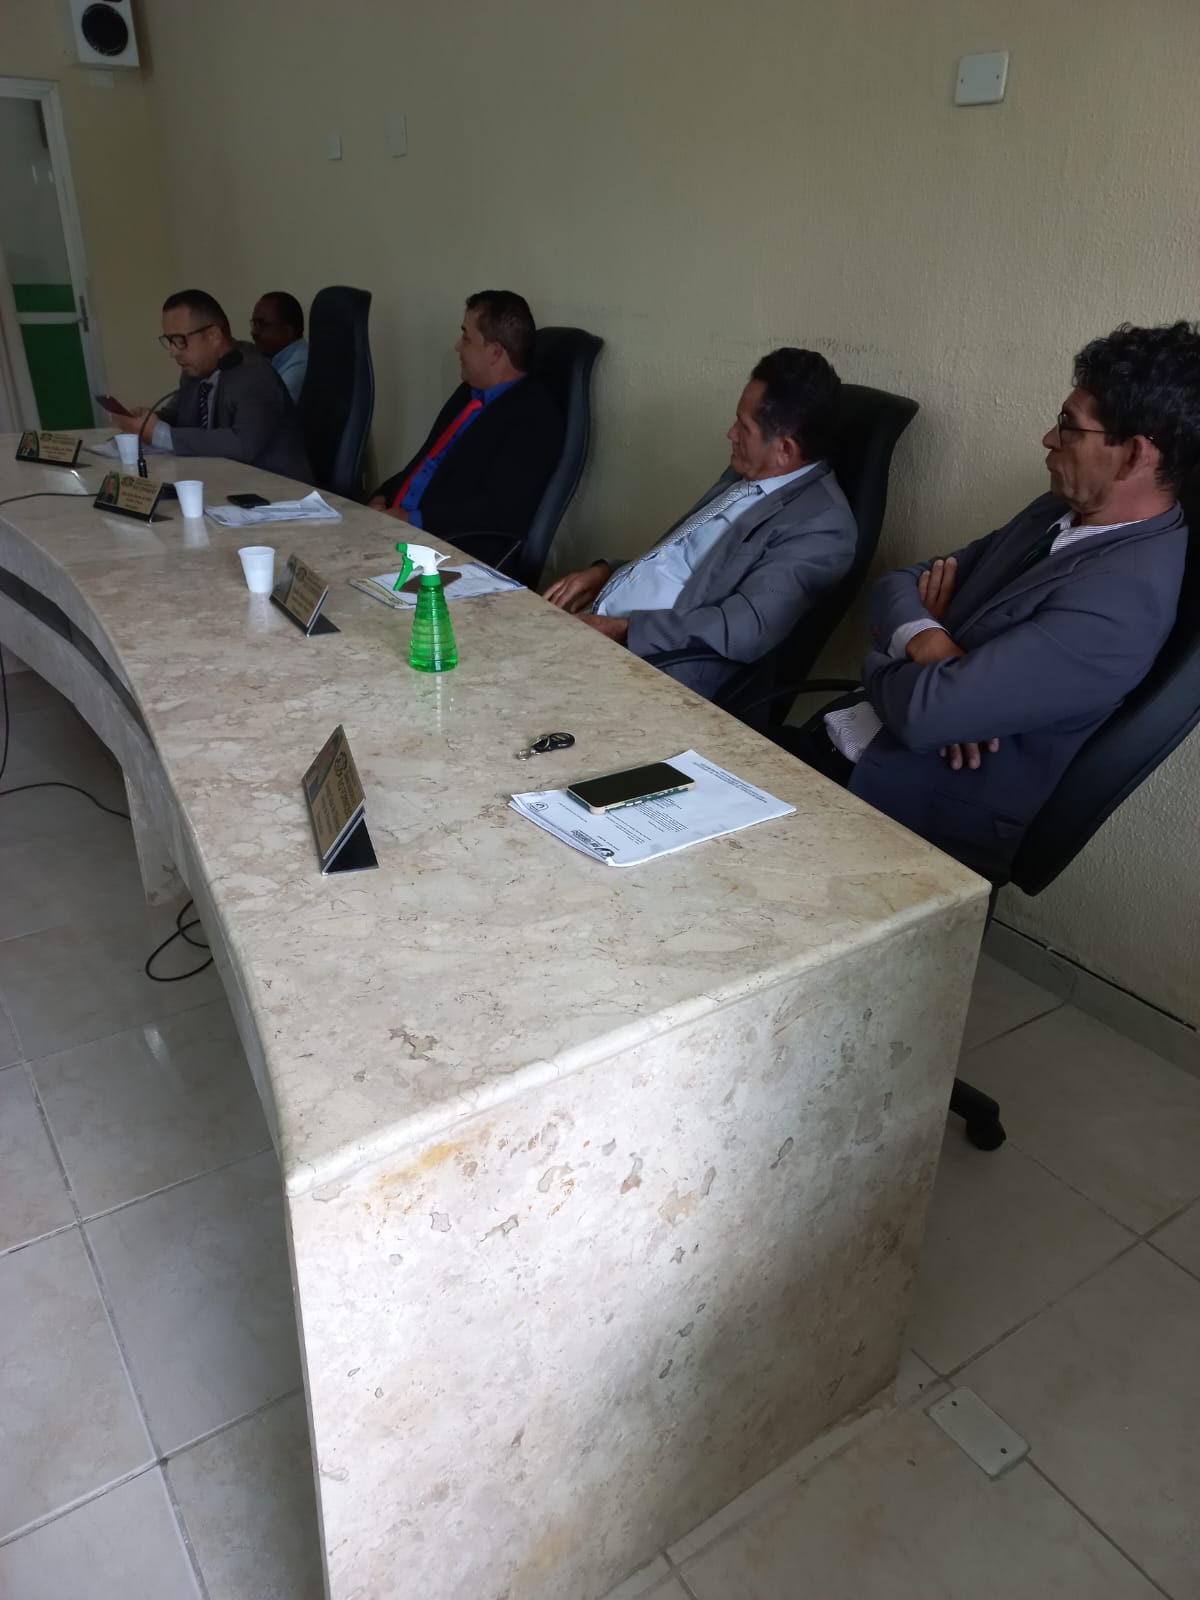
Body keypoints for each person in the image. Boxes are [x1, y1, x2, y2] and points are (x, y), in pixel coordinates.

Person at [788, 321, 1199, 873]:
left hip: (895, 817)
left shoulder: (1124, 599)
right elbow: (896, 585)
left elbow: (924, 715)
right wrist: (932, 643)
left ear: (1133, 456)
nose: (1049, 439)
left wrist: (891, 653)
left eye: (1069, 425)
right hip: (833, 746)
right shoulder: (1054, 511)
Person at [544, 348, 856, 699]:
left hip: (656, 671)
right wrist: (607, 572)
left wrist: (623, 629)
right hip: (601, 627)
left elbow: (744, 627)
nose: (730, 433)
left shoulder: (823, 525)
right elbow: (685, 563)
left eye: (744, 427)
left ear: (785, 449)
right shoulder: (745, 474)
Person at [368, 291, 562, 542]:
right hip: (393, 526)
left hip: (442, 545)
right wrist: (382, 496)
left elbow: (500, 509)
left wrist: (411, 520)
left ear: (494, 352)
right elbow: (425, 463)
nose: (458, 346)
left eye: (467, 338)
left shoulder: (533, 416)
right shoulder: (468, 394)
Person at [109, 289, 312, 481]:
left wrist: (161, 435)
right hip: (224, 482)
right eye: (170, 341)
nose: (173, 352)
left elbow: (243, 444)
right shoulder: (195, 370)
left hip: (278, 491)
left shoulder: (254, 372)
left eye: (179, 340)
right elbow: (177, 418)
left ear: (213, 336)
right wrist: (145, 422)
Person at [250, 291, 309, 402]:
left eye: (261, 324)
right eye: (254, 323)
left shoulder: (301, 365)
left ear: (288, 331)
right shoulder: (269, 359)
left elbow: (270, 409)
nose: (254, 332)